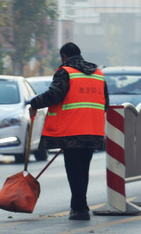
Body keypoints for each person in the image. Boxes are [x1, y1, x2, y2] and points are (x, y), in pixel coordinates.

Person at [29, 42, 109, 221]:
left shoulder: (65, 72)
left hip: (72, 131)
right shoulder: (98, 74)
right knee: (83, 169)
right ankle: (79, 206)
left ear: (64, 56)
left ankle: (80, 209)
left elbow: (54, 95)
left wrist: (34, 102)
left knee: (74, 171)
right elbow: (105, 104)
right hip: (92, 130)